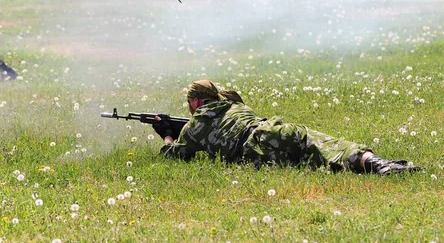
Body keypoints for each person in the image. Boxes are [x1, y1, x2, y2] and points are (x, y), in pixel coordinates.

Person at [153, 79, 422, 175]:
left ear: (197, 101)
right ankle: (376, 162)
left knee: (317, 164)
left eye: (190, 102)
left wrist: (166, 134)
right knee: (329, 147)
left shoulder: (196, 124)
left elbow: (176, 155)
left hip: (255, 152)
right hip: (276, 129)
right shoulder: (234, 106)